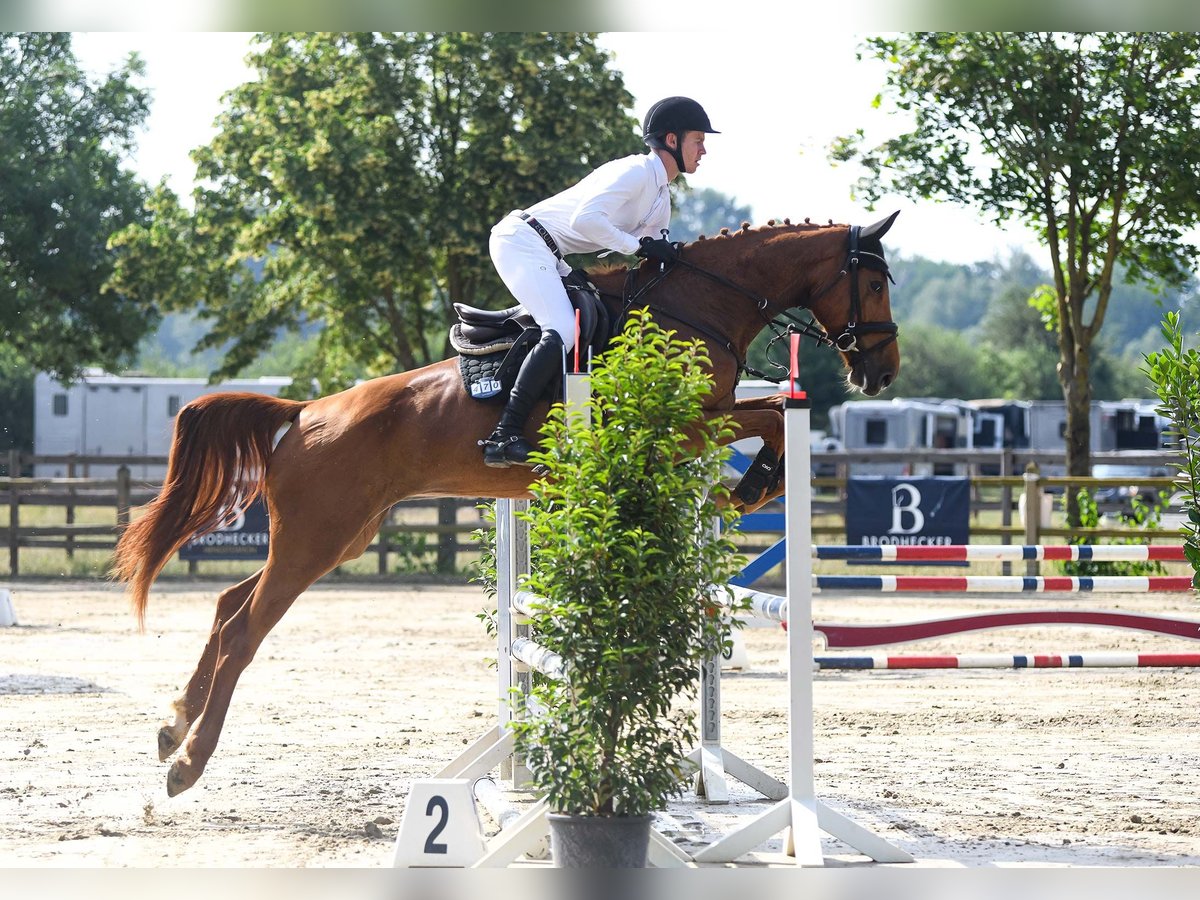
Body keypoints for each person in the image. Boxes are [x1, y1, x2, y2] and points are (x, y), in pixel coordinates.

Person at [480, 96, 718, 468]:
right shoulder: (636, 172)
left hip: (550, 253)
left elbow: (658, 257)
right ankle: (505, 434)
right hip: (521, 241)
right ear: (672, 140)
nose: (704, 150)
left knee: (598, 317)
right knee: (562, 329)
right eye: (698, 140)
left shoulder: (660, 196)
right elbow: (585, 221)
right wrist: (638, 245)